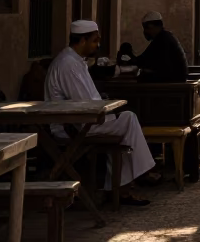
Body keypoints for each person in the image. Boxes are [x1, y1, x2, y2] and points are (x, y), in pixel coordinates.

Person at [46, 20, 155, 204]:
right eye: (94, 41)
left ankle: (122, 186)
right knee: (128, 120)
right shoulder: (67, 64)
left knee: (127, 123)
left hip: (86, 119)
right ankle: (126, 185)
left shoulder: (76, 61)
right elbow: (83, 102)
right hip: (73, 125)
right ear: (82, 41)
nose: (98, 45)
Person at [133, 11, 188, 83]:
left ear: (151, 26)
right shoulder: (164, 36)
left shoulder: (162, 39)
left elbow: (145, 59)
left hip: (173, 82)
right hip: (175, 79)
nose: (145, 31)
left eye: (145, 28)